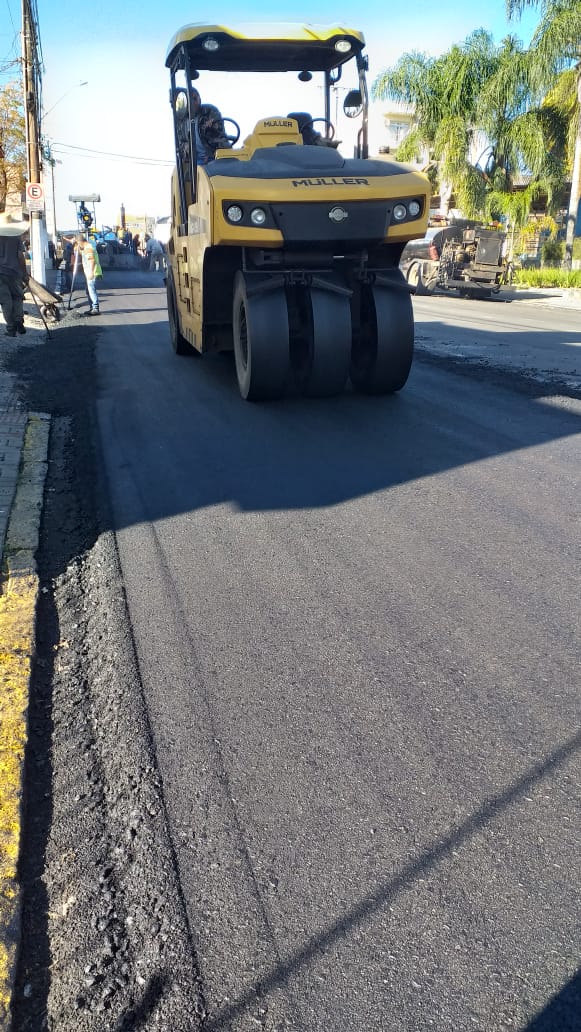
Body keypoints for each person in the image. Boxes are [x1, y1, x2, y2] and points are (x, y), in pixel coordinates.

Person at [0, 212, 28, 337]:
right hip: (15, 273)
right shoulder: (16, 238)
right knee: (17, 297)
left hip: (0, 274)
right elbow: (20, 257)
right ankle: (18, 319)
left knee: (5, 301)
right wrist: (25, 273)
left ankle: (11, 329)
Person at [190, 88, 230, 165]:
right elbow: (183, 142)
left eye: (195, 99)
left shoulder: (209, 110)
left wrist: (213, 125)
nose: (193, 102)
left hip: (217, 154)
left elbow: (218, 126)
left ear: (199, 99)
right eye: (190, 100)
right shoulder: (185, 120)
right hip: (198, 159)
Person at [70, 233, 101, 315]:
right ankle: (92, 308)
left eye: (78, 243)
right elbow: (81, 253)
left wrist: (91, 272)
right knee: (88, 290)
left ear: (80, 241)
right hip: (88, 272)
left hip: (92, 272)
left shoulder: (88, 248)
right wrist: (76, 248)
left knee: (91, 290)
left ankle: (95, 308)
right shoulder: (85, 247)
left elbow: (92, 260)